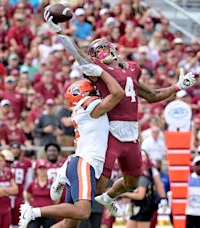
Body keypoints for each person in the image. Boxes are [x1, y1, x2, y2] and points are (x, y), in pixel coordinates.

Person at [44, 11, 195, 217]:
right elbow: (79, 56)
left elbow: (151, 95)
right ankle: (64, 174)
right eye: (98, 50)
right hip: (112, 133)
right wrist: (60, 33)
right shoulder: (97, 70)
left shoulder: (132, 69)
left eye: (104, 47)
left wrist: (178, 86)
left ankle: (108, 198)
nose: (103, 51)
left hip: (132, 134)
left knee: (132, 183)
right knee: (95, 187)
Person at [19, 63, 125, 228]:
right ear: (83, 95)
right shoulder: (87, 106)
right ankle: (33, 212)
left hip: (83, 162)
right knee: (83, 212)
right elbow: (118, 93)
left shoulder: (84, 109)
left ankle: (62, 174)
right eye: (93, 91)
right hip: (85, 163)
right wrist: (102, 72)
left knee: (69, 224)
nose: (97, 93)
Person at [123, 151, 166, 228]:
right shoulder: (132, 170)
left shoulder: (150, 170)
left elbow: (159, 184)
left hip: (146, 204)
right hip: (135, 203)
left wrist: (163, 199)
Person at [25, 159, 57, 228]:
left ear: (47, 170)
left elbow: (57, 199)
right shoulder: (32, 184)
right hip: (35, 212)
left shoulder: (52, 183)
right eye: (40, 168)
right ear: (36, 170)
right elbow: (28, 197)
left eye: (44, 168)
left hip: (49, 212)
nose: (42, 171)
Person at [9, 142, 33, 227]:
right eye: (13, 148)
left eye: (17, 148)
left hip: (19, 194)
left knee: (18, 220)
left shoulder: (26, 162)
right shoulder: (4, 162)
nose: (15, 150)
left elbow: (28, 181)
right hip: (7, 195)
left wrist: (26, 195)